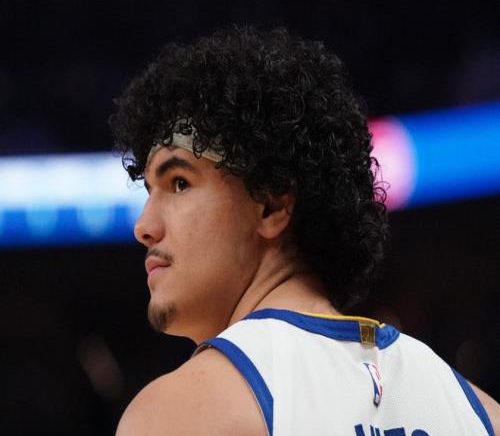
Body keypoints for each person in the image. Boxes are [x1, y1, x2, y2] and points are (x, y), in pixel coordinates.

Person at [110, 26, 499, 435]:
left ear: (271, 206)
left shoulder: (182, 410)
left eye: (179, 183)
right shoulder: (478, 412)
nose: (144, 227)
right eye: (149, 192)